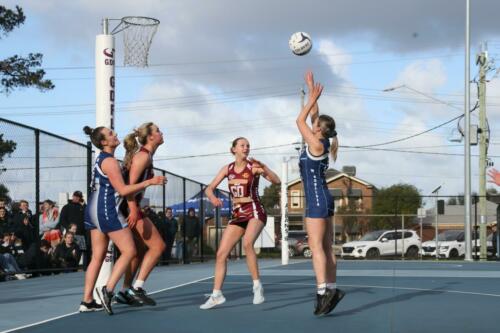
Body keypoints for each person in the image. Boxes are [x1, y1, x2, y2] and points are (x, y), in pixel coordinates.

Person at [80, 125, 166, 315]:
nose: (115, 134)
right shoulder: (116, 160)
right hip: (109, 208)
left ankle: (88, 300)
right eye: (111, 134)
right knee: (135, 250)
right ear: (103, 142)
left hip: (95, 209)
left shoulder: (106, 159)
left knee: (101, 256)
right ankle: (112, 290)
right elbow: (125, 188)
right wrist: (148, 185)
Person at [200, 137, 280, 310]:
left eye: (248, 146)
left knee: (247, 243)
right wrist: (213, 198)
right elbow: (209, 188)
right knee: (221, 254)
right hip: (238, 214)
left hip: (255, 211)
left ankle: (257, 286)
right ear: (234, 149)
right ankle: (216, 295)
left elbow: (276, 180)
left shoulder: (254, 167)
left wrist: (264, 166)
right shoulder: (227, 169)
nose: (246, 148)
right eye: (242, 145)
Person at [296, 71, 344, 316]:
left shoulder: (315, 144)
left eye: (315, 125)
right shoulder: (322, 142)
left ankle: (323, 293)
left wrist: (308, 101)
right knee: (326, 247)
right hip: (323, 198)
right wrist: (312, 88)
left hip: (316, 200)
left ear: (319, 130)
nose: (312, 124)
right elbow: (314, 117)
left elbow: (299, 121)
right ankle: (332, 289)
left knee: (316, 248)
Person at [114, 122, 166, 307]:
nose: (162, 133)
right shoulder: (142, 157)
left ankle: (124, 292)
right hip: (129, 207)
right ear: (151, 137)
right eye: (158, 131)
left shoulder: (147, 155)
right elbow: (128, 187)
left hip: (130, 206)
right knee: (158, 246)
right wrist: (134, 208)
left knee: (138, 251)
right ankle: (136, 288)